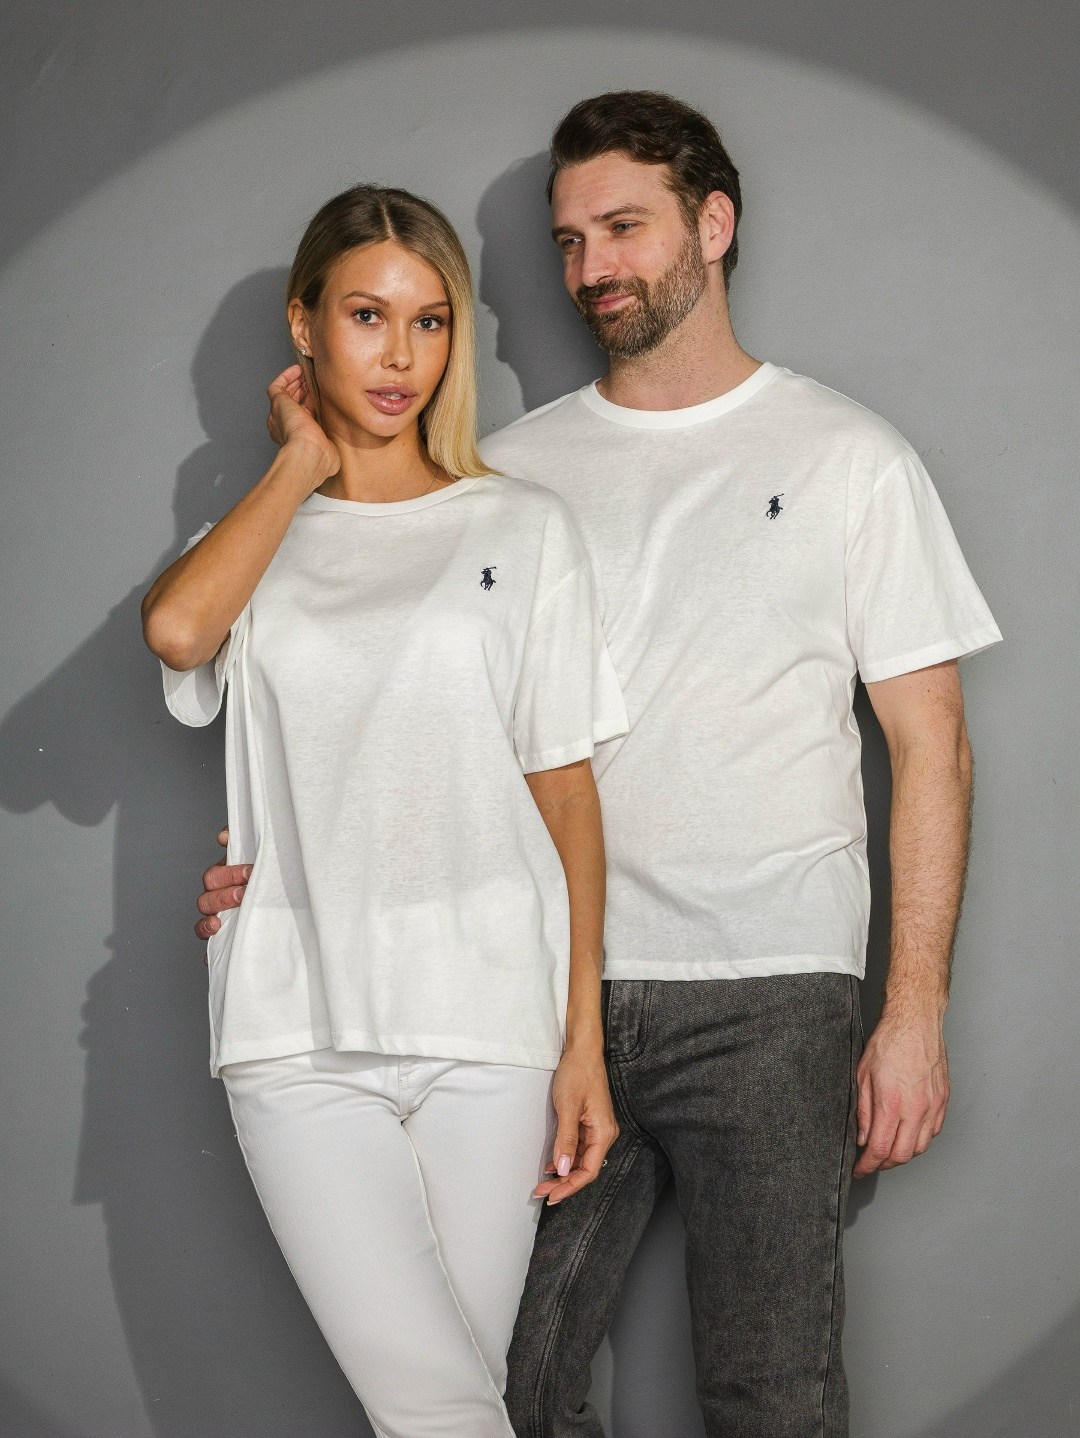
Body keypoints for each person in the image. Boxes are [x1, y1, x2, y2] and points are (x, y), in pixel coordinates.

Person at [196, 93, 1002, 1437]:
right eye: (569, 240)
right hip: (538, 995)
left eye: (623, 228)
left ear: (715, 225)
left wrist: (912, 1010)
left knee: (772, 1392)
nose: (590, 268)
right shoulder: (505, 477)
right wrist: (278, 870)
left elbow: (935, 748)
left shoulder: (849, 457)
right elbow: (392, 713)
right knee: (508, 1387)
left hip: (769, 989)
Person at [142, 183, 627, 1438]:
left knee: (447, 1409)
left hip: (492, 1025)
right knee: (438, 1408)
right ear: (305, 326)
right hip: (296, 1026)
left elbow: (565, 793)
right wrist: (301, 464)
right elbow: (179, 631)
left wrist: (582, 1042)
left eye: (429, 321)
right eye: (367, 316)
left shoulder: (522, 528)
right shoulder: (253, 541)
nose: (401, 355)